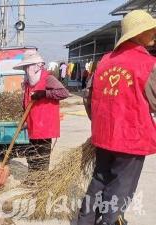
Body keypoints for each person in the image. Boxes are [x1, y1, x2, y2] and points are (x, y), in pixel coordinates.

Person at [78, 10, 156, 225]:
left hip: (104, 135)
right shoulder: (148, 64)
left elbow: (89, 97)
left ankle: (84, 221)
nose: (154, 33)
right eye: (150, 29)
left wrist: (99, 122)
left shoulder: (104, 61)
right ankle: (110, 221)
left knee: (99, 180)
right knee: (121, 187)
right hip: (132, 136)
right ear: (138, 34)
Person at [14, 51, 69, 172]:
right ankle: (32, 177)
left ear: (35, 66)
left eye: (27, 67)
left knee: (42, 154)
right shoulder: (29, 82)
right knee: (32, 153)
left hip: (45, 124)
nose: (26, 70)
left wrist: (45, 93)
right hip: (34, 124)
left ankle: (41, 181)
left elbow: (64, 93)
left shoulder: (48, 78)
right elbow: (26, 101)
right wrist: (24, 117)